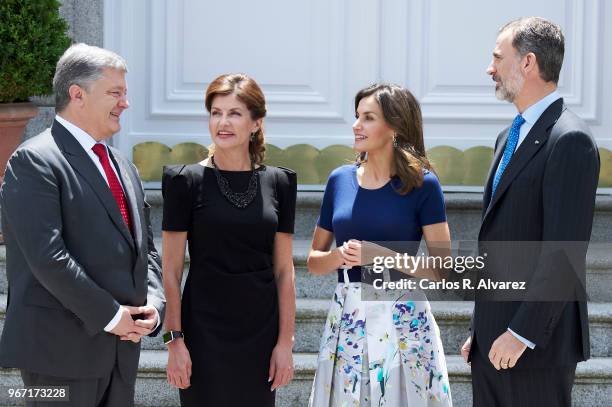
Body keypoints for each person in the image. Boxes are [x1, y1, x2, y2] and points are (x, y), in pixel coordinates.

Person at [0, 43, 165, 407]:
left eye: (125, 93)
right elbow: (48, 257)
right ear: (77, 94)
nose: (125, 103)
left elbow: (146, 251)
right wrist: (110, 316)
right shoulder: (34, 161)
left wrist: (153, 304)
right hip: (58, 356)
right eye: (115, 93)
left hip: (121, 354)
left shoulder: (124, 166)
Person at [460, 17, 599, 407]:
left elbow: (563, 254)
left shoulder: (569, 139)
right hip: (493, 341)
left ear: (528, 63)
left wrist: (521, 333)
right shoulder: (508, 137)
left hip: (537, 348)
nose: (490, 69)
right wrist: (482, 327)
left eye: (497, 58)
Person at [308, 83, 453, 406]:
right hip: (347, 315)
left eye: (368, 118)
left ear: (395, 127)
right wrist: (337, 257)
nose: (356, 125)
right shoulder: (339, 180)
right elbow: (314, 261)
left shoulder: (423, 185)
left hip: (404, 316)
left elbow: (442, 271)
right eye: (357, 116)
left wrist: (382, 256)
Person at [161, 73, 297, 406]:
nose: (222, 122)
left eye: (234, 113)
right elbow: (170, 270)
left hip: (261, 333)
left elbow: (284, 271)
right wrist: (174, 342)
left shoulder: (280, 182)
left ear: (255, 123)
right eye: (216, 112)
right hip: (203, 331)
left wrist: (285, 344)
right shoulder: (185, 181)